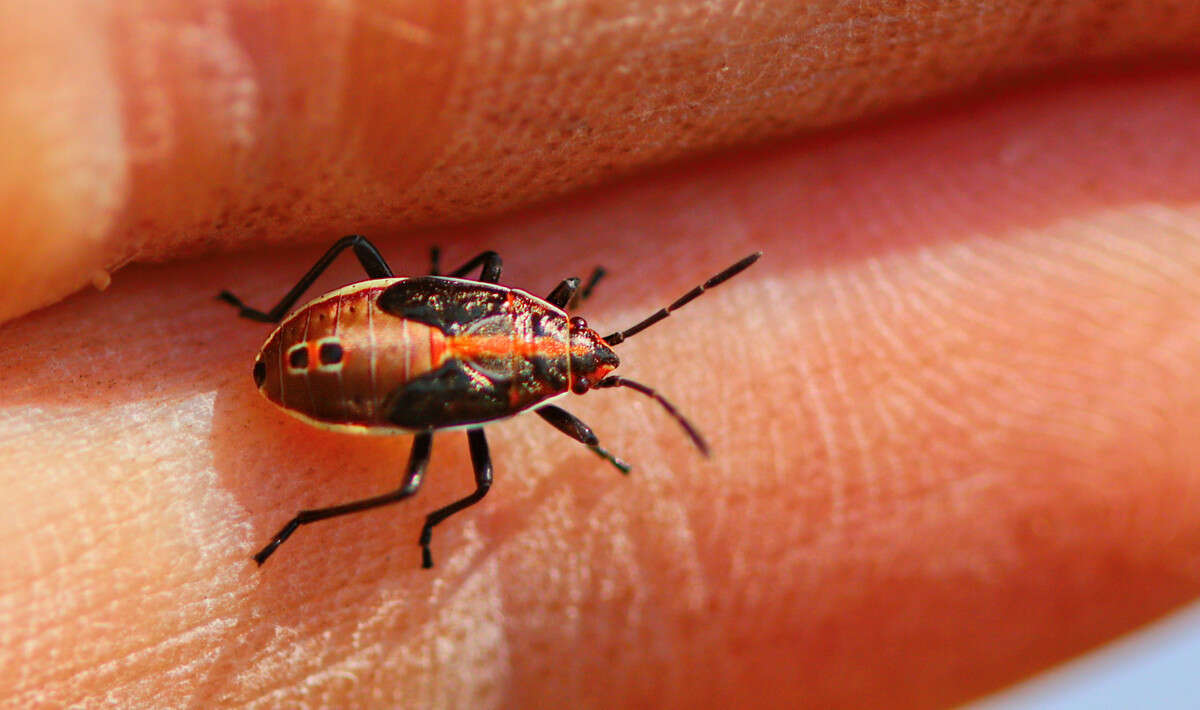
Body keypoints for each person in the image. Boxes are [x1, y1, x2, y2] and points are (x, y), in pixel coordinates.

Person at [2, 2, 1199, 707]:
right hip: (347, 348)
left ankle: (261, 334)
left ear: (561, 364)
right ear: (565, 334)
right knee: (430, 482)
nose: (588, 352)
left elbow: (458, 273)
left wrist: (466, 301)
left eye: (587, 361)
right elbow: (465, 289)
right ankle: (271, 387)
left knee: (403, 353)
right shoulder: (530, 355)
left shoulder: (525, 325)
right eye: (589, 346)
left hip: (366, 336)